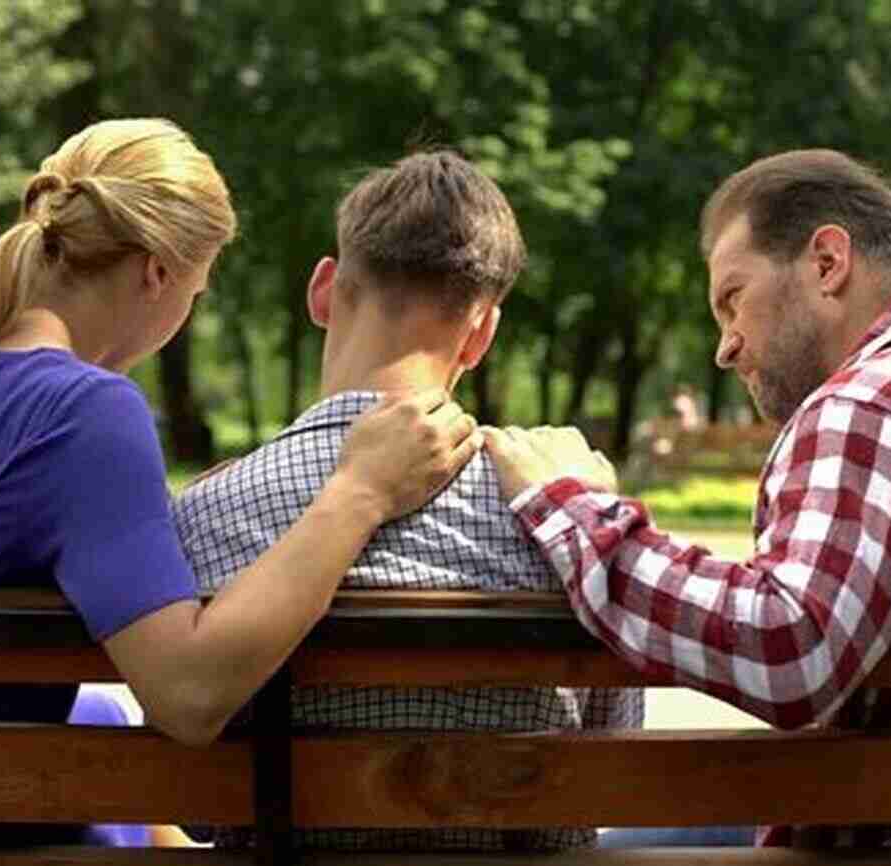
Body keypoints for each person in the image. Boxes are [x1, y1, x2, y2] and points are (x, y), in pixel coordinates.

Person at [0, 119, 481, 846]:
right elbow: (190, 696)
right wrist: (361, 490)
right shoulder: (86, 411)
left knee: (103, 727)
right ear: (158, 273)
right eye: (195, 293)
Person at [483, 148, 891, 848]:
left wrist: (571, 505)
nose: (724, 346)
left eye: (733, 299)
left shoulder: (871, 408)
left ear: (827, 262)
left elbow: (789, 649)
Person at [172, 150, 642, 853]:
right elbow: (605, 770)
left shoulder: (208, 514)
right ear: (482, 332)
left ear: (324, 290)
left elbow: (198, 809)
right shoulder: (565, 518)